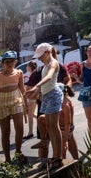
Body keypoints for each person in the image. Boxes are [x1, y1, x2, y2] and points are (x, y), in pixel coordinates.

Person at [26, 43, 64, 171]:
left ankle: (57, 158)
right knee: (47, 124)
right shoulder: (44, 66)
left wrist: (36, 87)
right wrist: (37, 92)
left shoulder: (53, 63)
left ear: (48, 52)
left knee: (53, 126)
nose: (39, 59)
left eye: (41, 56)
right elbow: (44, 84)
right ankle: (48, 148)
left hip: (53, 95)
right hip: (46, 96)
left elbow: (49, 77)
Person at [0, 50, 28, 165]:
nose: (10, 64)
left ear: (16, 62)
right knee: (6, 131)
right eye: (7, 62)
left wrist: (26, 104)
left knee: (20, 127)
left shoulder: (19, 73)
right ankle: (7, 158)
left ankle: (18, 152)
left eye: (12, 62)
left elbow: (22, 89)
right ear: (2, 63)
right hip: (2, 102)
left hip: (16, 100)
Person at [59, 84, 79, 161]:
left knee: (63, 151)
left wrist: (65, 141)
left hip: (66, 129)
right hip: (66, 129)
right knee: (70, 150)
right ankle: (77, 165)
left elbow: (68, 123)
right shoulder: (64, 101)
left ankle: (70, 167)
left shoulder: (65, 104)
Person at [23, 61, 39, 139]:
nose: (26, 67)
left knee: (30, 114)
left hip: (31, 97)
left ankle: (30, 132)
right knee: (31, 114)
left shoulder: (32, 74)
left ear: (30, 67)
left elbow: (31, 86)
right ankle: (41, 119)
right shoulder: (34, 73)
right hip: (33, 96)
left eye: (27, 66)